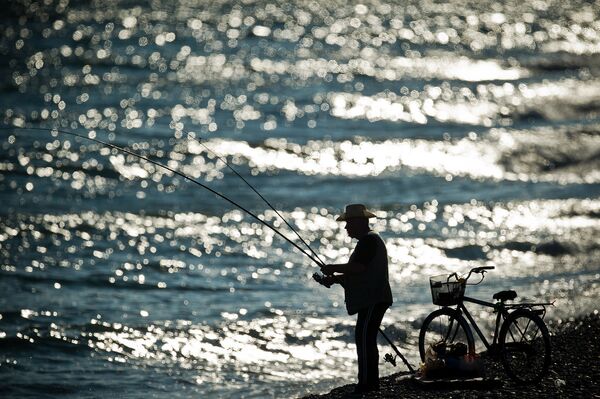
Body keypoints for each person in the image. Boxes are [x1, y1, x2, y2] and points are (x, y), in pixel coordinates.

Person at [314, 203, 393, 394]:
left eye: (349, 223)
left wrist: (332, 268)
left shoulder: (368, 241)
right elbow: (359, 273)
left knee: (365, 339)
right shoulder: (368, 240)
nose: (346, 227)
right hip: (373, 299)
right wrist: (335, 279)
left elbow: (358, 268)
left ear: (359, 222)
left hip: (374, 299)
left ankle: (367, 385)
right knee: (365, 338)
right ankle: (368, 383)